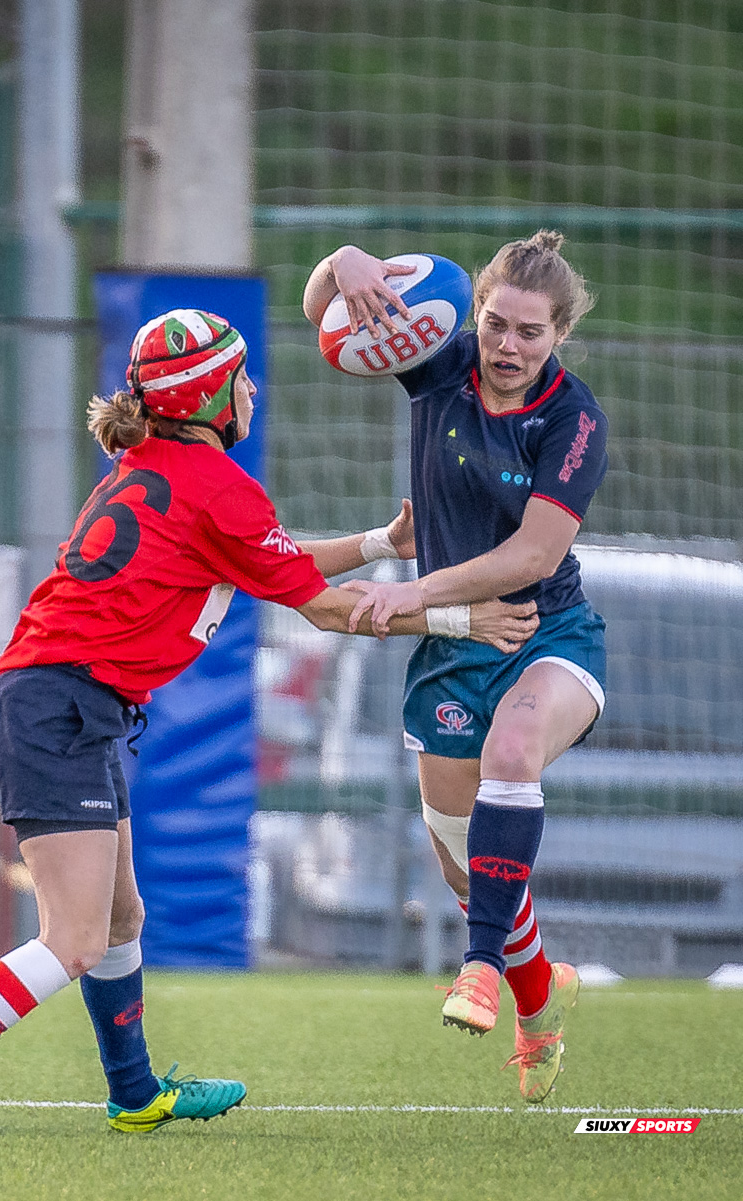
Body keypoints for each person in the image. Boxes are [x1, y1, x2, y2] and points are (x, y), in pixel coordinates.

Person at [0, 308, 539, 1137]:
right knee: (75, 936)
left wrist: (380, 541)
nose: (252, 387)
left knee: (120, 921)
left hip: (67, 699)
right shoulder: (214, 485)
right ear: (212, 393)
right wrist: (458, 621)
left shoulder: (157, 462)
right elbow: (326, 611)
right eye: (242, 374)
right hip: (58, 706)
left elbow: (271, 559)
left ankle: (134, 1092)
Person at [303, 231, 606, 1102]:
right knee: (467, 869)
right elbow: (322, 313)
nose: (509, 346)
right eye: (497, 324)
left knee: (513, 753)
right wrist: (347, 260)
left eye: (531, 333)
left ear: (560, 335)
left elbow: (536, 553)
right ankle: (541, 999)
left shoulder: (573, 419)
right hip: (450, 647)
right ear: (475, 316)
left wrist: (413, 591)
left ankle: (476, 967)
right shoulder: (440, 361)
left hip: (544, 633)